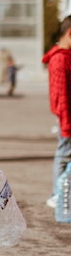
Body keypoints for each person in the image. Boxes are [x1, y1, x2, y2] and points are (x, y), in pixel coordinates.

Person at [42, 15, 71, 208]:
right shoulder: (59, 59)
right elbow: (61, 96)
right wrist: (66, 124)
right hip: (67, 118)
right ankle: (56, 195)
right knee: (64, 155)